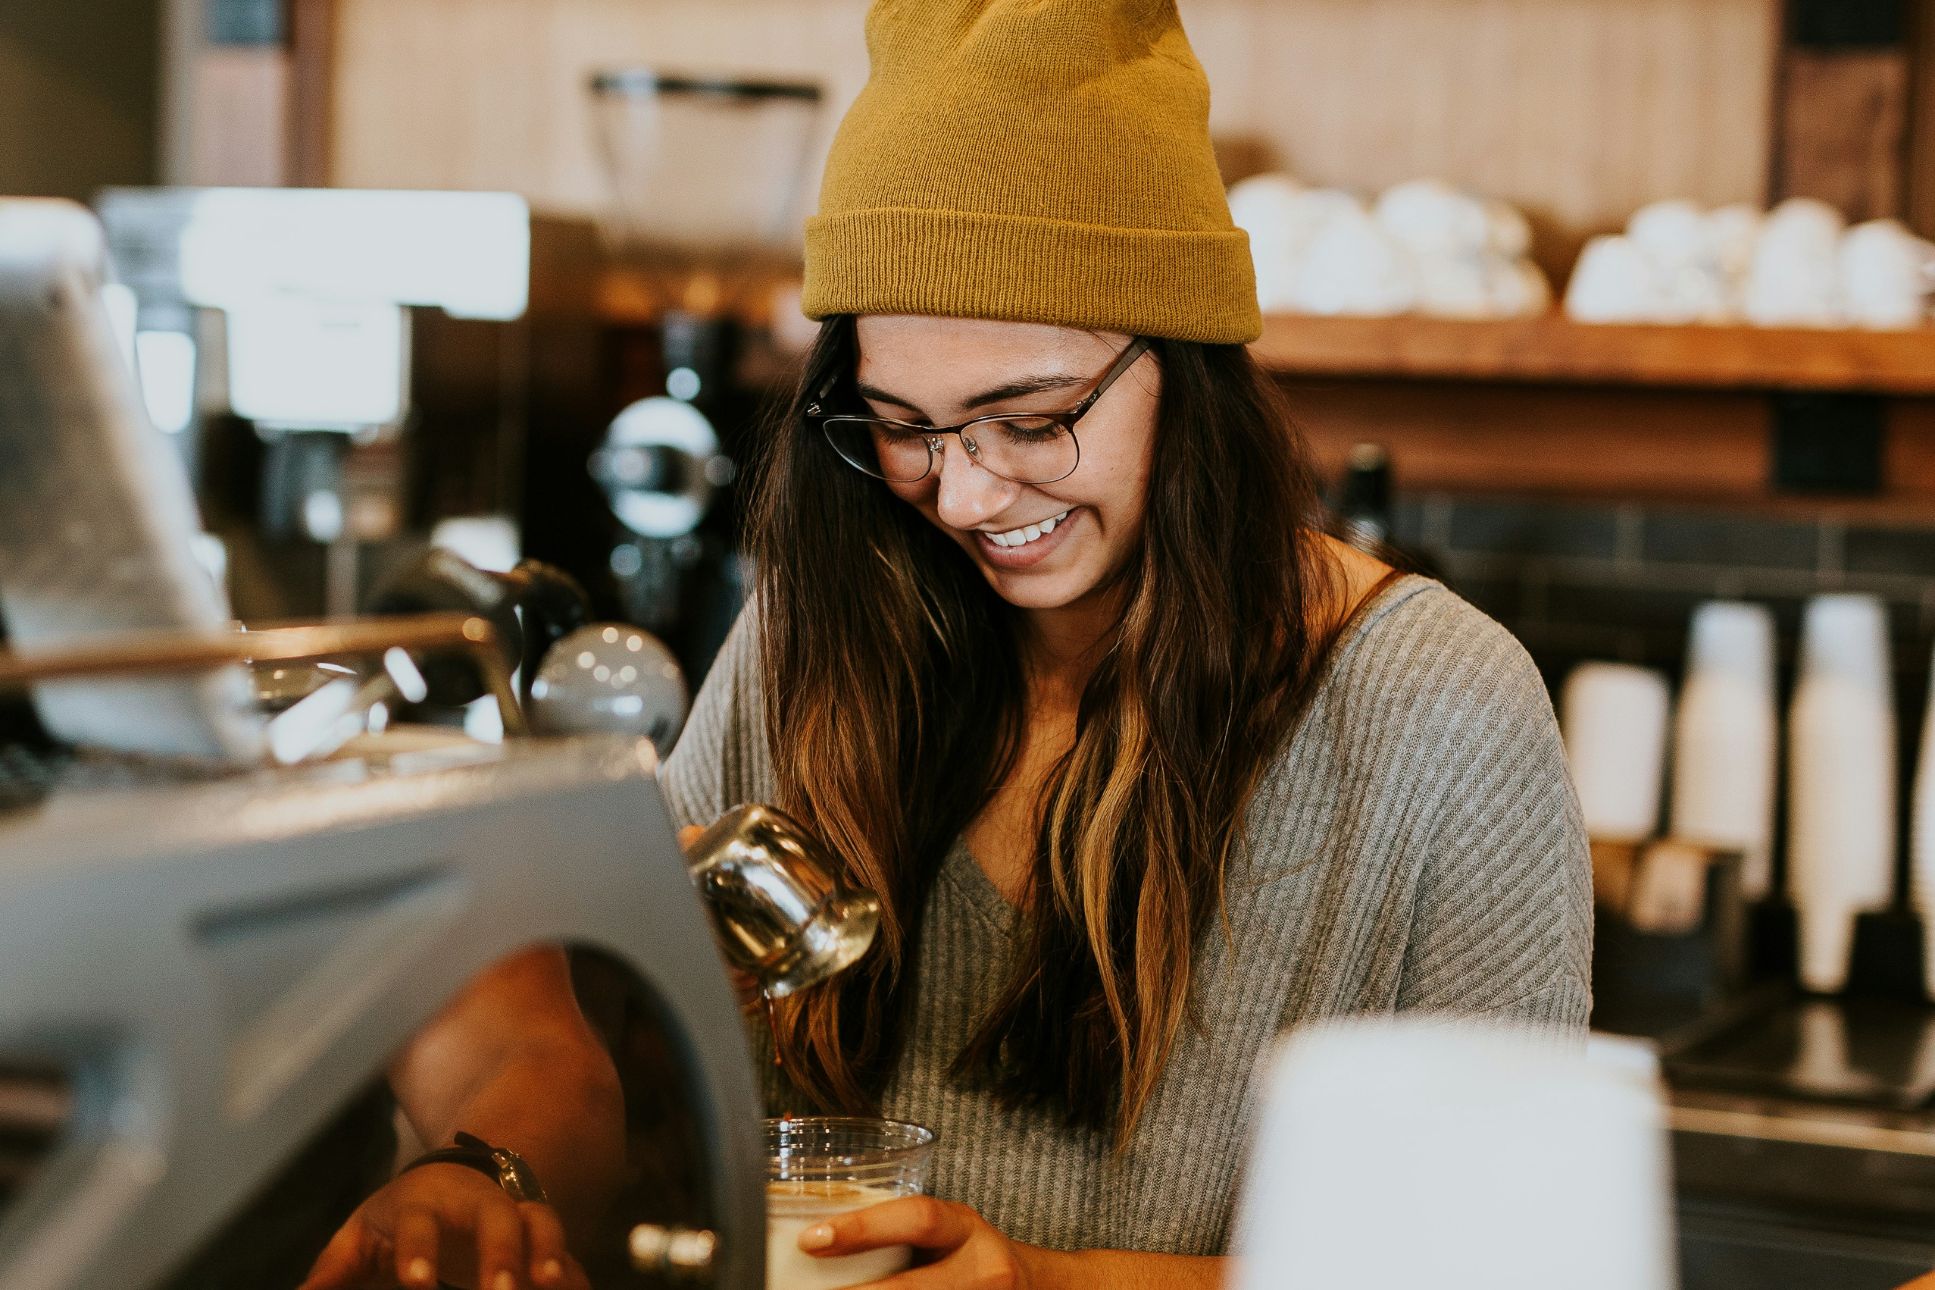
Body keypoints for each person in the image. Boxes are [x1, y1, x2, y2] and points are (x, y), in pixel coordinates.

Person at [658, 0, 1592, 1285]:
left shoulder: (1440, 709)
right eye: (900, 425)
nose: (966, 496)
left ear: (1188, 366)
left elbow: (1514, 1258)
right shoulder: (820, 633)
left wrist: (1042, 1282)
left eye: (1031, 419)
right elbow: (635, 1041)